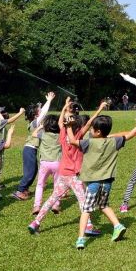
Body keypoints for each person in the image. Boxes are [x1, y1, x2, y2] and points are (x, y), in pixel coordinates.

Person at [28, 98, 106, 235]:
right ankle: (88, 226)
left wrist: (65, 105)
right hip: (75, 175)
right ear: (78, 127)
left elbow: (60, 122)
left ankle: (36, 222)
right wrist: (99, 109)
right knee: (83, 202)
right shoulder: (78, 136)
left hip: (63, 173)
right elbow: (89, 122)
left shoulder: (63, 133)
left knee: (52, 198)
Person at [73, 113, 136, 249]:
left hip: (93, 182)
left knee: (86, 210)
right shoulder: (114, 141)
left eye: (92, 129)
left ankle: (81, 239)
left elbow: (72, 141)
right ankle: (118, 225)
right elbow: (129, 136)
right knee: (103, 205)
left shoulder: (89, 142)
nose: (90, 131)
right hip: (107, 182)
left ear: (98, 132)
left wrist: (68, 127)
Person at [13, 92, 56, 200]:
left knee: (33, 171)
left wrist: (42, 104)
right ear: (36, 115)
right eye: (39, 111)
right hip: (29, 150)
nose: (41, 111)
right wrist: (49, 100)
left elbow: (42, 111)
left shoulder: (35, 122)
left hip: (31, 150)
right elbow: (44, 113)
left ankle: (25, 189)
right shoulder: (35, 123)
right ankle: (20, 191)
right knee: (30, 172)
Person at [31, 113, 62, 215]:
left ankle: (37, 206)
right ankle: (56, 204)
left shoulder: (43, 134)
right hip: (57, 162)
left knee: (40, 184)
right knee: (57, 185)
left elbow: (33, 134)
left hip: (44, 162)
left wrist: (39, 127)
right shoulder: (61, 136)